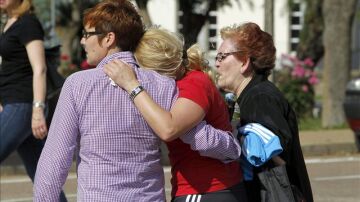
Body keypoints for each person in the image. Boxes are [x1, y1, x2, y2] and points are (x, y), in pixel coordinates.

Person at [34, 1, 241, 201]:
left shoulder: (77, 85)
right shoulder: (162, 85)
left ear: (109, 38)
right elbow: (197, 135)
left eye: (87, 34)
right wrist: (232, 147)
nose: (82, 41)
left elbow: (55, 159)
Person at [104, 28, 247, 202]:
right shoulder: (184, 83)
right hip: (206, 189)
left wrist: (131, 85)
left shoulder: (194, 83)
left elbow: (169, 129)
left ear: (155, 71)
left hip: (206, 190)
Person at [215, 22, 313, 202]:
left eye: (222, 56)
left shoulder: (260, 97)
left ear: (244, 62)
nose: (216, 64)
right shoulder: (251, 95)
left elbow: (276, 151)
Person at [0, 0, 67, 201]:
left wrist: (38, 110)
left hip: (23, 104)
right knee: (40, 173)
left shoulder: (28, 23)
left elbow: (40, 69)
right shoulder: (10, 22)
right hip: (13, 102)